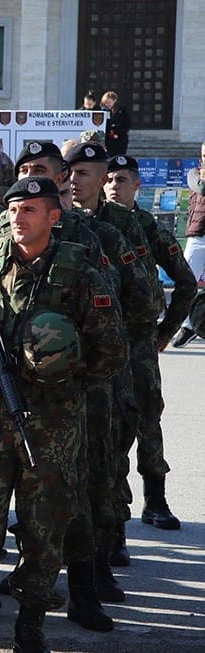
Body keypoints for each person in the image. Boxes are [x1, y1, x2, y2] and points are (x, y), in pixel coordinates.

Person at [0, 175, 127, 652]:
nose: (18, 217)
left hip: (51, 421)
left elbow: (112, 349)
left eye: (30, 210)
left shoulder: (80, 271)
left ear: (54, 216)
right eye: (13, 209)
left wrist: (62, 380)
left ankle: (30, 623)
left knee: (45, 525)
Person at [102, 153, 196, 562]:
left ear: (137, 185)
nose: (113, 186)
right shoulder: (92, 226)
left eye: (122, 180)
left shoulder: (147, 227)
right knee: (108, 427)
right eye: (109, 179)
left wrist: (165, 332)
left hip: (138, 342)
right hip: (102, 344)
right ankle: (112, 518)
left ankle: (155, 500)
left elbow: (186, 281)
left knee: (147, 417)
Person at [173, 140, 205, 347]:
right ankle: (187, 325)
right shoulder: (194, 173)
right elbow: (202, 188)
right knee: (187, 282)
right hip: (198, 235)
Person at [101, 91, 131, 157]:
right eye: (106, 103)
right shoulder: (102, 111)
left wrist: (118, 132)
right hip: (108, 139)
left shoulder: (122, 109)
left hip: (120, 138)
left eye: (109, 102)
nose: (108, 104)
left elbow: (127, 123)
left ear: (114, 101)